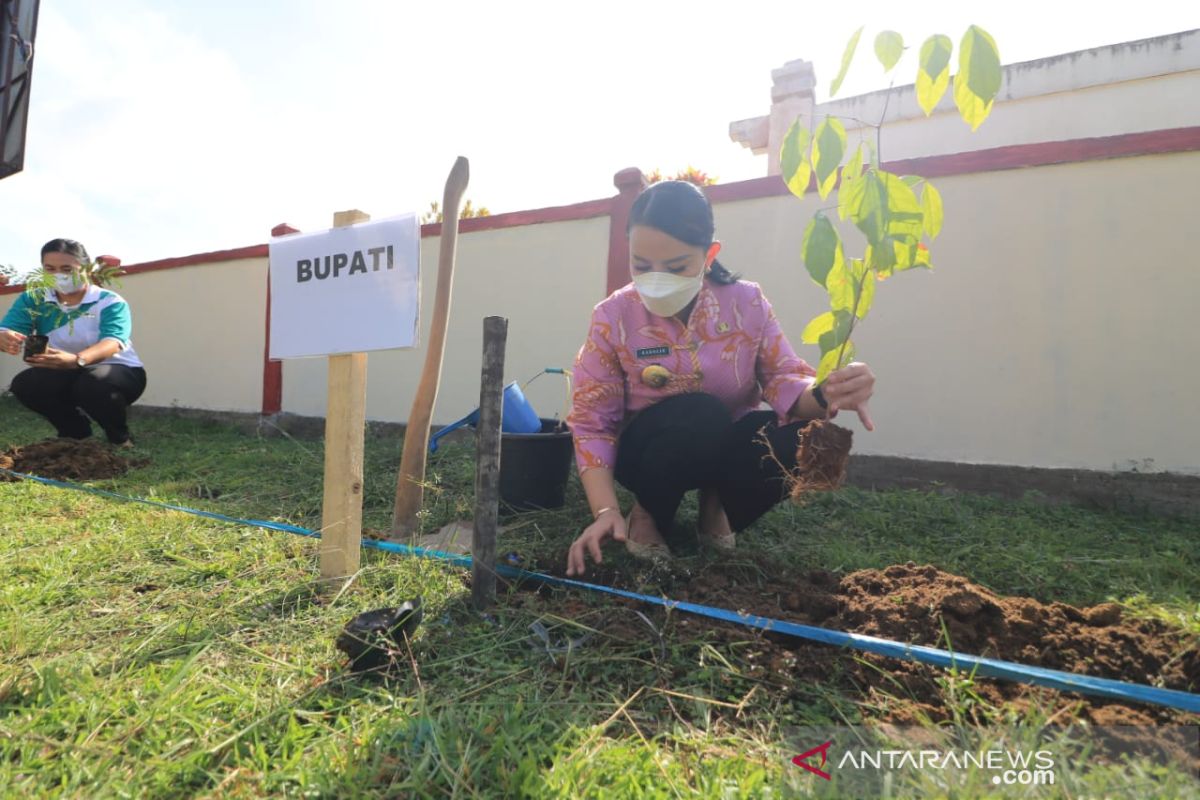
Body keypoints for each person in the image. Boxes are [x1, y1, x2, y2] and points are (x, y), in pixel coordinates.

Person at [565, 181, 876, 576]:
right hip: (648, 454)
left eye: (677, 267)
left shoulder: (746, 303)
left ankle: (718, 504)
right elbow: (592, 420)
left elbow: (783, 379)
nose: (656, 278)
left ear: (709, 255)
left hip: (722, 445)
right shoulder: (614, 316)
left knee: (801, 435)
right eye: (641, 265)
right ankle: (647, 511)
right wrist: (605, 509)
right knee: (700, 414)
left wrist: (828, 392)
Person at [0, 238, 147, 446]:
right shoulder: (33, 299)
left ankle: (120, 438)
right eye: (49, 268)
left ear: (85, 268)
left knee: (92, 383)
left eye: (67, 268)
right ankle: (76, 433)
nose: (58, 275)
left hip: (117, 371)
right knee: (26, 384)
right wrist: (5, 338)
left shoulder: (109, 301)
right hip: (65, 371)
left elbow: (113, 342)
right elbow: (10, 328)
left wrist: (77, 360)